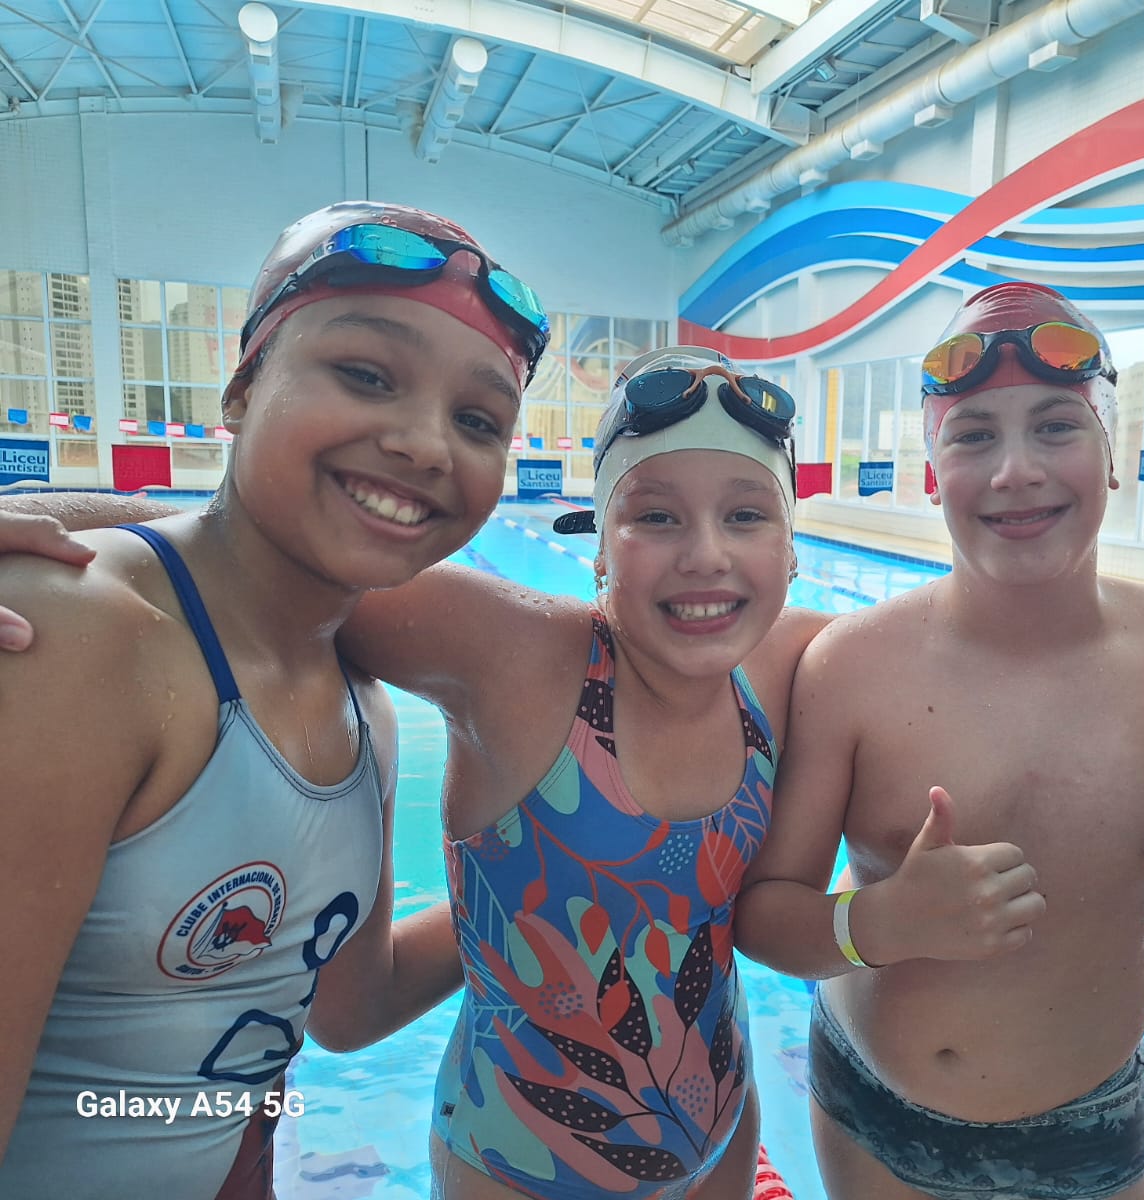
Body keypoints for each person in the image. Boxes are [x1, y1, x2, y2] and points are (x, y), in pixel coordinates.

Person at [0, 344, 824, 1200]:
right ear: (600, 547)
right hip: (521, 1165)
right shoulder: (515, 653)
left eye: (747, 515)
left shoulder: (794, 664)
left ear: (792, 545)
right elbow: (241, 553)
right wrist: (30, 517)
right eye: (655, 516)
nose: (706, 555)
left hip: (723, 1136)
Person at [0, 199, 552, 1197]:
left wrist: (558, 875)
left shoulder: (364, 710)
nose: (425, 444)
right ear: (244, 385)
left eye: (478, 421)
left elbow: (352, 1008)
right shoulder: (76, 637)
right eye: (366, 375)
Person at [735, 281, 1144, 1200]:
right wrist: (881, 922)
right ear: (933, 471)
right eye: (972, 436)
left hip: (1091, 1121)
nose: (1016, 471)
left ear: (1112, 451)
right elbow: (764, 916)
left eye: (1056, 426)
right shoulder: (851, 666)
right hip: (876, 1111)